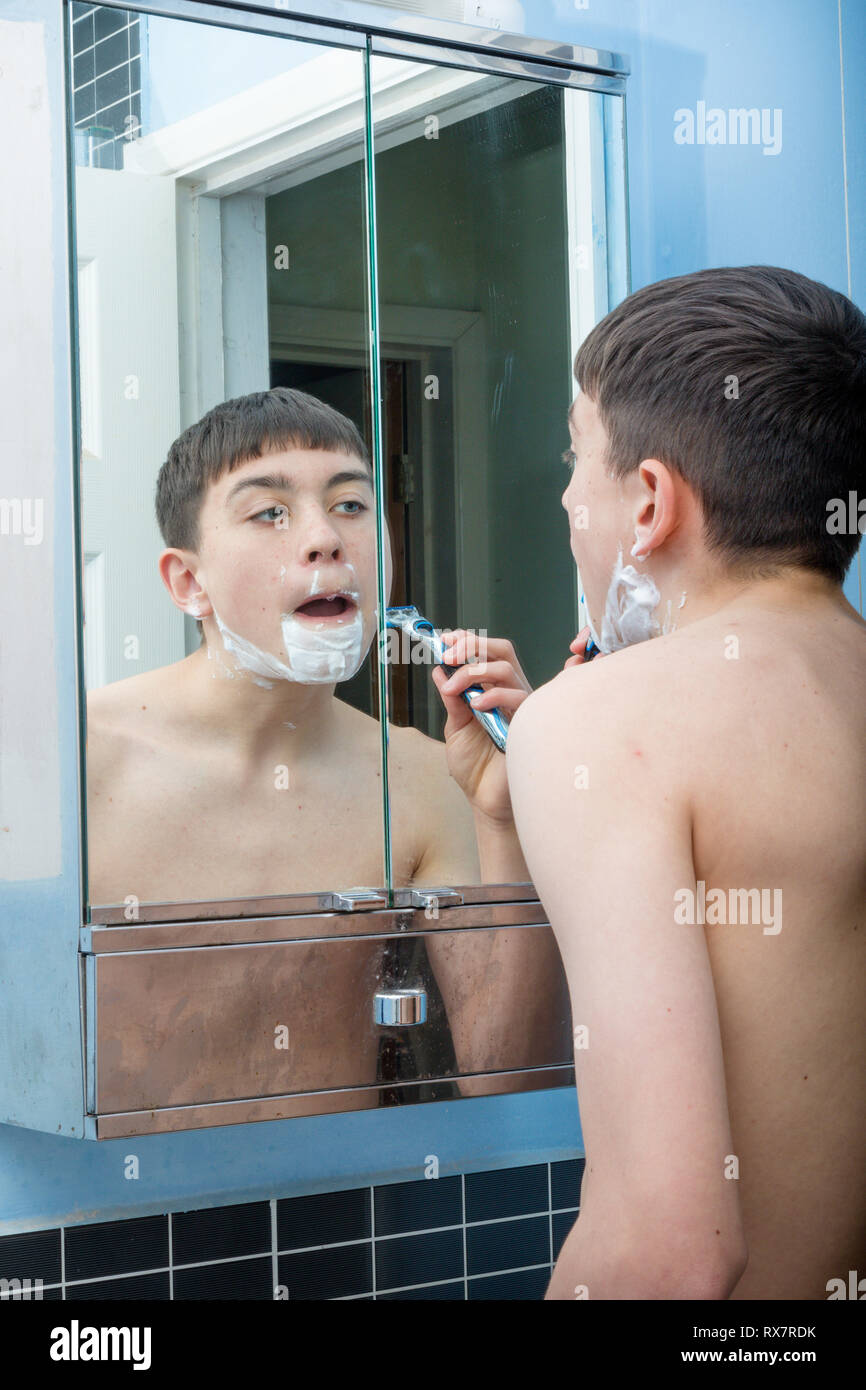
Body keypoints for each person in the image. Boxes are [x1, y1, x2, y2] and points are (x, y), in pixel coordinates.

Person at [505, 265, 866, 1300]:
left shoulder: (601, 722)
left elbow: (667, 1254)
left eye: (576, 460)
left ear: (651, 499)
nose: (569, 498)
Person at [85, 387, 534, 907]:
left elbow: (495, 995)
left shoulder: (432, 781)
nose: (326, 538)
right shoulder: (76, 763)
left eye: (350, 505)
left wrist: (500, 820)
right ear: (188, 581)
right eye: (269, 513)